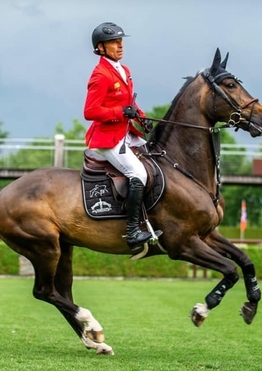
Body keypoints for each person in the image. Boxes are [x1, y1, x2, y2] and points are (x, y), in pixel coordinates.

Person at [83, 22, 159, 255]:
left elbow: (130, 103)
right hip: (107, 139)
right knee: (139, 174)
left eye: (121, 41)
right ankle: (133, 231)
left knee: (156, 157)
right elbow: (90, 112)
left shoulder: (124, 70)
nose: (120, 45)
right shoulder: (100, 75)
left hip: (126, 133)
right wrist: (119, 113)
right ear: (100, 48)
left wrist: (142, 117)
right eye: (114, 42)